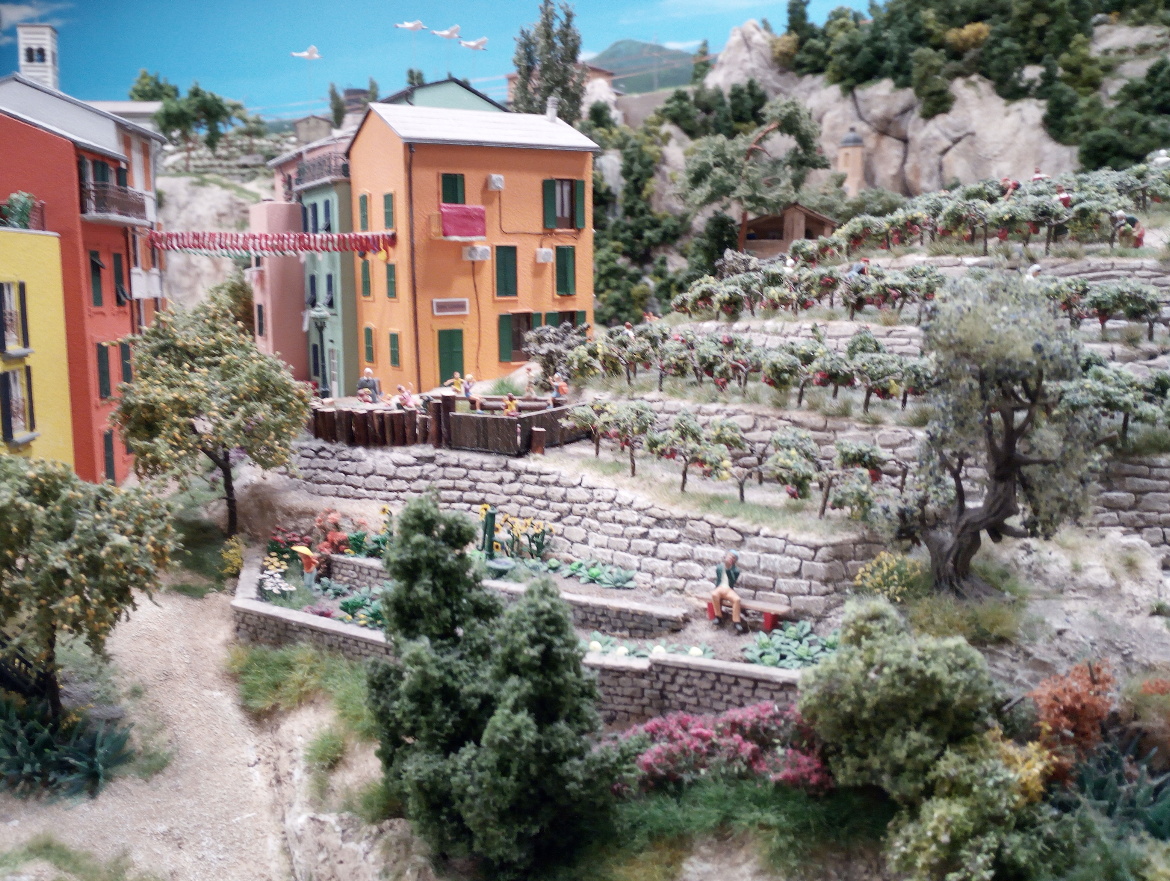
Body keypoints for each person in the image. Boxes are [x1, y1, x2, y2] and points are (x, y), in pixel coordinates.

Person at [710, 551, 748, 635]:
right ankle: (718, 616)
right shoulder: (719, 567)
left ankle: (736, 621)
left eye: (733, 557)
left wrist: (728, 569)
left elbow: (732, 580)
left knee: (737, 599)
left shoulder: (736, 570)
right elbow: (718, 577)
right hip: (720, 587)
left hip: (728, 589)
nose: (731, 558)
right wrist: (724, 566)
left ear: (735, 560)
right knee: (714, 594)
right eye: (730, 555)